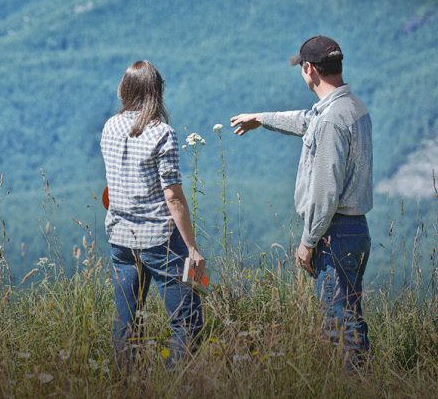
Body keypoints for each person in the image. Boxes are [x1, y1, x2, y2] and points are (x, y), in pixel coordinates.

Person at [230, 36, 373, 368]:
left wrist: (308, 242)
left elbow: (326, 190)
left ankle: (353, 386)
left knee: (339, 325)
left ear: (309, 69)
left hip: (333, 232)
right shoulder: (351, 108)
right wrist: (262, 118)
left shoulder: (332, 120)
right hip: (357, 230)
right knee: (350, 314)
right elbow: (306, 121)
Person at [100, 60, 206, 369]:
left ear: (125, 90)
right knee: (188, 322)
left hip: (120, 236)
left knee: (127, 321)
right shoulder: (163, 133)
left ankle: (126, 383)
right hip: (160, 239)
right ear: (157, 93)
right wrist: (192, 248)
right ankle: (176, 383)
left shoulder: (110, 126)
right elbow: (173, 198)